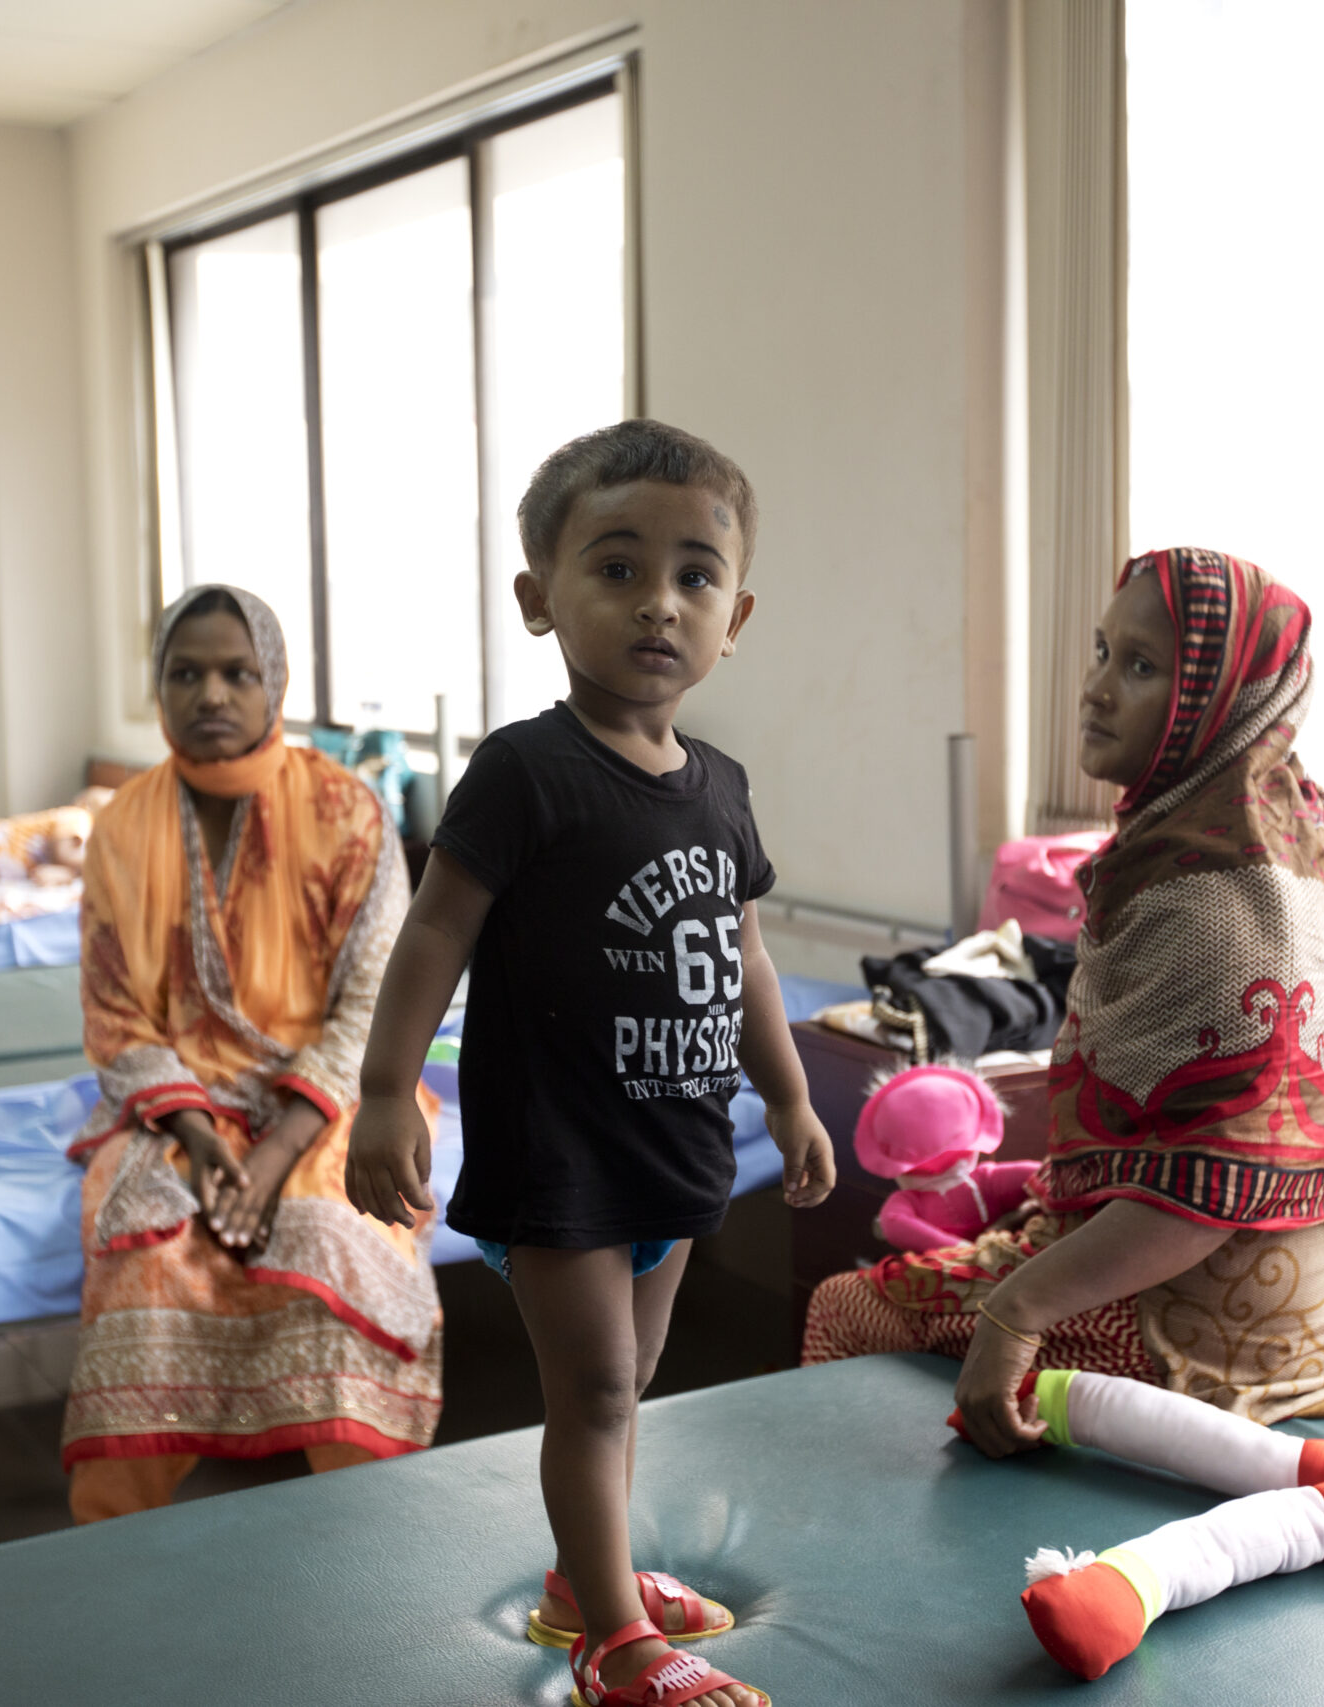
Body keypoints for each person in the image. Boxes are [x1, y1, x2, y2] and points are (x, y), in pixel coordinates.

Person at [802, 548, 1324, 1450]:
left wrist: (1014, 1314)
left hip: (1225, 1323)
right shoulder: (1321, 831)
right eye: (1104, 652)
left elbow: (1207, 1192)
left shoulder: (1207, 890)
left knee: (846, 1307)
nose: (1098, 688)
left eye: (1143, 667)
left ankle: (879, 1575)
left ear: (1219, 701)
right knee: (1008, 1226)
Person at [347, 421, 834, 1707]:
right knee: (599, 1387)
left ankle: (582, 1581)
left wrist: (785, 1097)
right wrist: (388, 1091)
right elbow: (436, 929)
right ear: (537, 599)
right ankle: (618, 1642)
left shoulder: (720, 787)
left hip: (672, 1148)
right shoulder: (523, 772)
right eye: (615, 570)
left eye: (692, 575)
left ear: (735, 615)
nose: (657, 604)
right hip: (558, 1146)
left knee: (637, 1386)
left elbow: (743, 961)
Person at [60, 585, 442, 1522]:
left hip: (340, 1098)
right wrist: (197, 1140)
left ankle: (365, 1541)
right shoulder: (122, 827)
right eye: (186, 674)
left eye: (237, 672)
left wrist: (274, 1158)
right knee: (146, 1245)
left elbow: (374, 1004)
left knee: (337, 1236)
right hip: (177, 1105)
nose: (212, 694)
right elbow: (116, 1012)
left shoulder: (346, 812)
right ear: (160, 687)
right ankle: (122, 1556)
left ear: (275, 681)